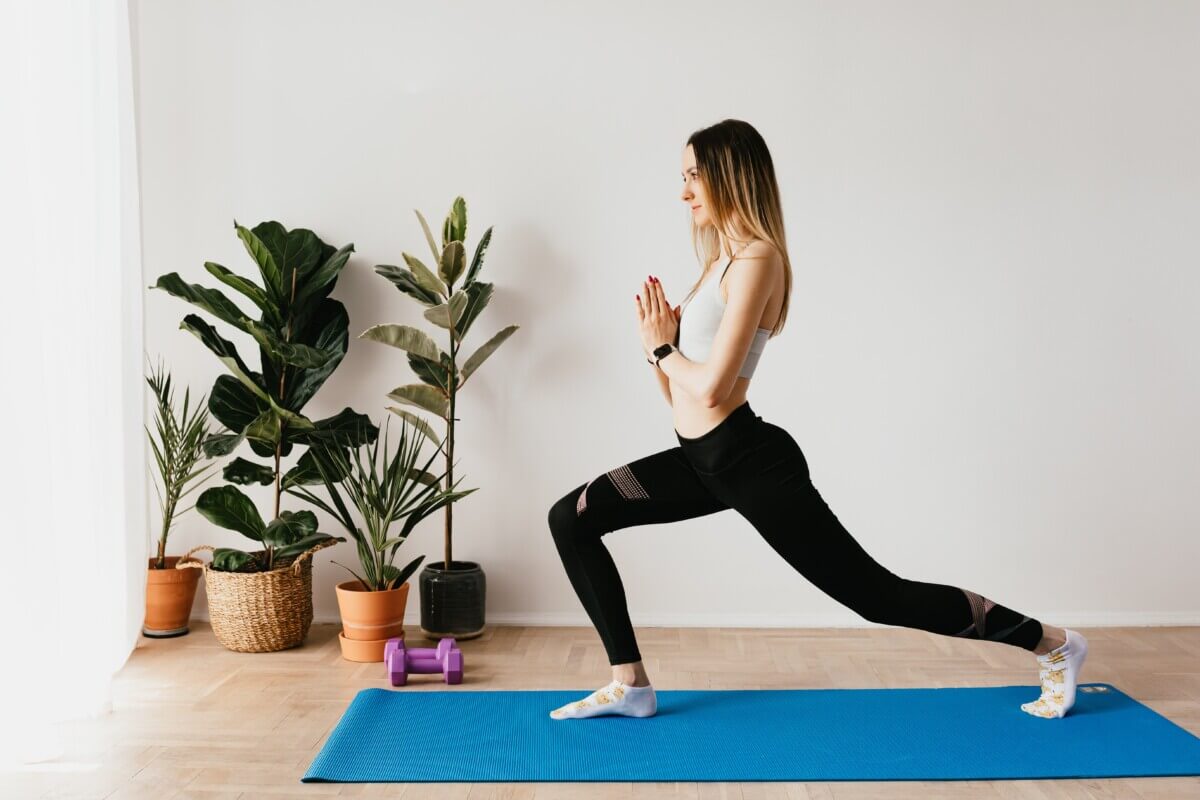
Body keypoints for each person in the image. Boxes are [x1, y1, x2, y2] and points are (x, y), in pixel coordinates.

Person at [547, 118, 1087, 721]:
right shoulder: (715, 264)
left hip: (750, 463)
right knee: (572, 518)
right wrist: (659, 348)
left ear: (729, 173)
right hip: (701, 462)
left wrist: (662, 349)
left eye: (693, 176)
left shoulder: (758, 259)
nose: (683, 192)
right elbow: (682, 400)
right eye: (683, 178)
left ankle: (1055, 644)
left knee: (878, 597)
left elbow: (717, 384)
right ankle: (632, 684)